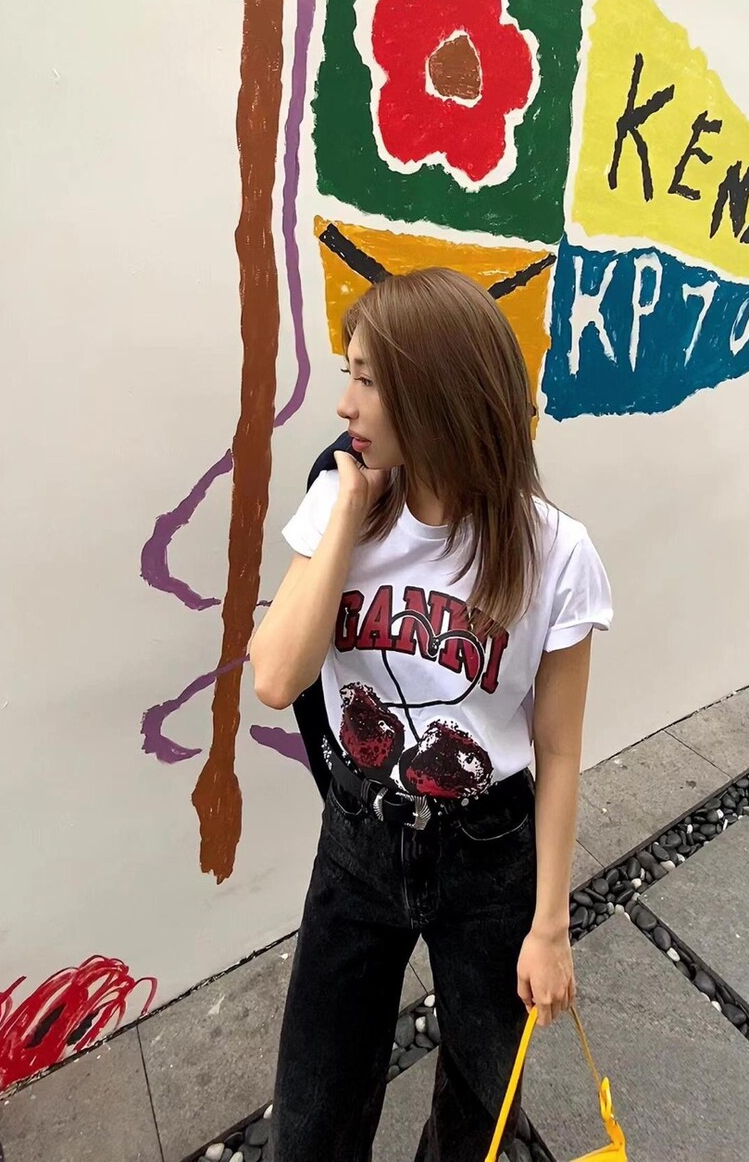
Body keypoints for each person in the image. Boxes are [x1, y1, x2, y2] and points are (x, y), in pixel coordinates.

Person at [251, 267, 612, 1161]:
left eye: (367, 379)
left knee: (481, 1109)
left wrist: (550, 926)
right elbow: (276, 676)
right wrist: (349, 508)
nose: (344, 403)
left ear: (436, 390)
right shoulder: (341, 503)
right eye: (350, 374)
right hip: (360, 840)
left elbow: (559, 750)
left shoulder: (556, 553)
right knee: (315, 1108)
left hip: (489, 851)